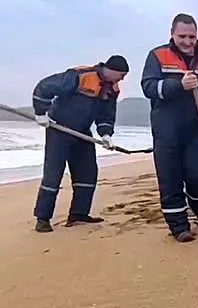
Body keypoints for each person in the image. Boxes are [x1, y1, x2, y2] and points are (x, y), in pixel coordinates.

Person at [141, 13, 198, 243]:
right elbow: (149, 87)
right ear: (172, 34)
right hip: (166, 128)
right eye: (182, 36)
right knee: (170, 178)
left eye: (192, 36)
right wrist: (178, 85)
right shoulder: (158, 56)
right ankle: (179, 226)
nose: (187, 41)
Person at [31, 55, 129, 233]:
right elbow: (44, 87)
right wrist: (41, 113)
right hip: (59, 128)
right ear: (111, 70)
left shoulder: (112, 89)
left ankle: (78, 215)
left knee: (88, 172)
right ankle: (43, 218)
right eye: (121, 75)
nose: (122, 80)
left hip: (82, 132)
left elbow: (106, 114)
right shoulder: (80, 76)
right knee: (53, 174)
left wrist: (106, 134)